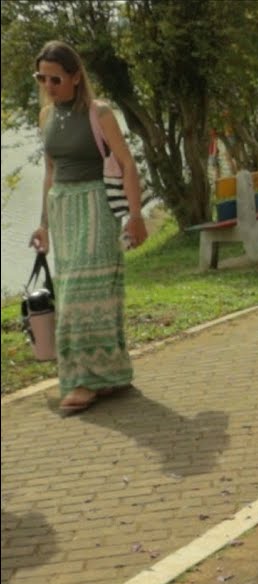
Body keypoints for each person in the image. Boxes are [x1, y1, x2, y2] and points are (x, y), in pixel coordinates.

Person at [28, 40, 147, 415]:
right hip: (63, 210)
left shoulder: (101, 113)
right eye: (42, 78)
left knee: (85, 296)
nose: (49, 86)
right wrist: (44, 225)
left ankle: (82, 382)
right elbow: (50, 172)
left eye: (56, 79)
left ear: (76, 77)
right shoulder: (46, 117)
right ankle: (109, 375)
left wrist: (136, 215)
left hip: (96, 207)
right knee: (73, 296)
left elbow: (127, 164)